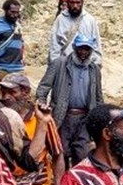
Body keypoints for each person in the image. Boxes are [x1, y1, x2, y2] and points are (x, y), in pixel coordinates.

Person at [37, 35, 103, 168]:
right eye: (80, 49)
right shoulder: (59, 64)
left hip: (85, 118)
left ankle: (78, 184)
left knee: (82, 153)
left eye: (87, 49)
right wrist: (41, 103)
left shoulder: (94, 69)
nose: (83, 53)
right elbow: (44, 87)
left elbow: (98, 96)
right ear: (74, 48)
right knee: (61, 153)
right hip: (63, 116)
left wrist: (100, 117)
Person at [48, 0, 101, 64]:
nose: (75, 6)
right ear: (68, 3)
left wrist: (97, 63)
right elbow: (54, 44)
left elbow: (96, 44)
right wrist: (55, 64)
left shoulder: (90, 20)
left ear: (82, 3)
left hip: (85, 65)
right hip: (65, 64)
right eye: (72, 3)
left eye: (78, 3)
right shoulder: (60, 19)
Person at [0, 0, 25, 74]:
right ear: (5, 11)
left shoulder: (18, 26)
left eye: (17, 12)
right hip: (2, 68)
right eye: (12, 12)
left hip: (18, 67)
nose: (15, 15)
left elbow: (21, 44)